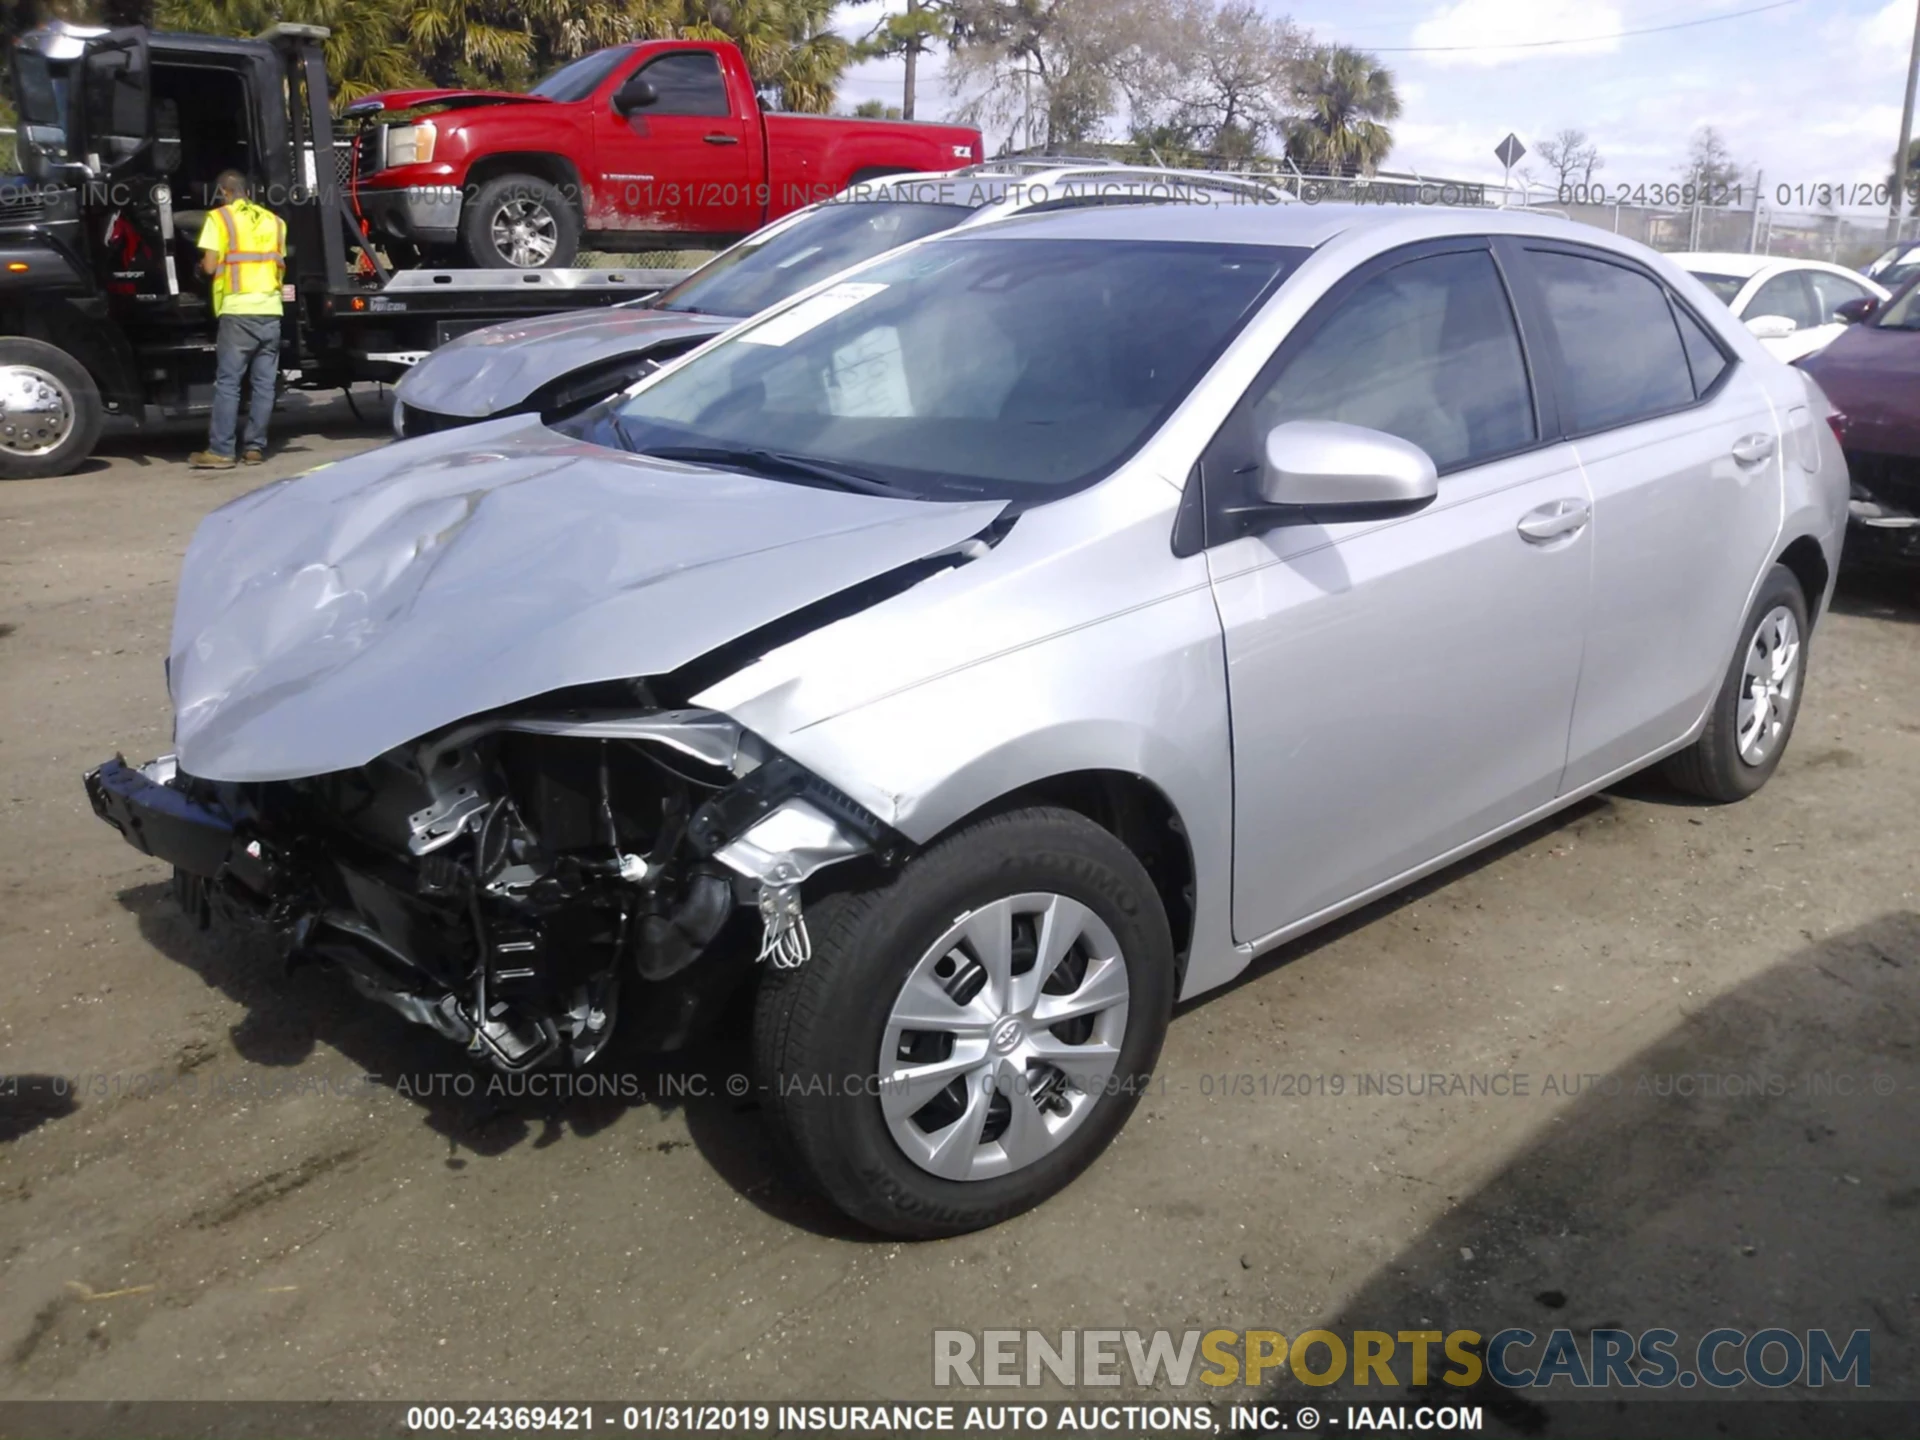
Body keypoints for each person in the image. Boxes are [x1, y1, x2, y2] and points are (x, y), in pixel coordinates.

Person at [189, 170, 286, 469]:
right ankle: (255, 448)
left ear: (223, 192)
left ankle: (221, 451)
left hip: (238, 310)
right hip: (271, 310)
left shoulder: (220, 218)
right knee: (264, 384)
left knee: (230, 383)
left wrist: (197, 270)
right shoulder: (275, 222)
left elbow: (209, 266)